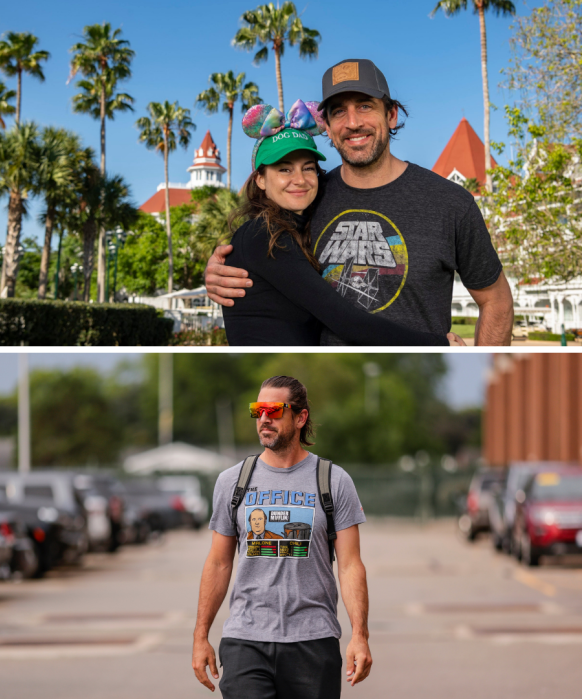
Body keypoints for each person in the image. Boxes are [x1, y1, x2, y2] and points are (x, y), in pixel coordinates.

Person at [205, 58, 514, 346]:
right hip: (326, 383)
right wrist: (223, 265)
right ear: (326, 124)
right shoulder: (306, 198)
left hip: (419, 384)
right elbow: (265, 255)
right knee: (271, 401)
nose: (352, 122)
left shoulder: (450, 202)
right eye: (339, 111)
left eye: (365, 106)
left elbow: (496, 300)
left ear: (391, 114)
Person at [221, 99, 455, 346]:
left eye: (308, 168)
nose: (300, 180)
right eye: (285, 170)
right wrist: (440, 345)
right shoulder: (264, 234)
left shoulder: (298, 228)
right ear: (260, 179)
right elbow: (348, 323)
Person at [192, 376, 371, 698]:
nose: (264, 419)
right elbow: (219, 563)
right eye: (257, 410)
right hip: (246, 639)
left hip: (313, 641)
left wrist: (360, 634)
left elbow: (350, 566)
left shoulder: (334, 480)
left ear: (300, 418)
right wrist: (200, 635)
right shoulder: (232, 481)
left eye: (273, 410)